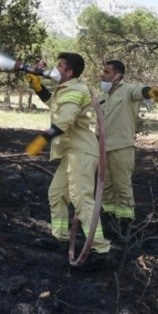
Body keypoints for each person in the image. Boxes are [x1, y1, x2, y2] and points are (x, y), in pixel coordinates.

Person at [25, 52, 111, 270]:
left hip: (82, 152)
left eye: (60, 66)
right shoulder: (66, 89)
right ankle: (61, 237)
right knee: (57, 194)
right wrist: (37, 85)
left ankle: (101, 249)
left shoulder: (76, 90)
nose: (55, 68)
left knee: (81, 199)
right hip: (72, 152)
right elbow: (53, 104)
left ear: (69, 72)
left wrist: (42, 139)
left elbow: (65, 120)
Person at [98, 60, 158, 242]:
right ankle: (109, 224)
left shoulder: (128, 90)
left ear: (118, 75)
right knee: (107, 187)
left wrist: (154, 94)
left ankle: (125, 225)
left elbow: (143, 90)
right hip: (103, 148)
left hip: (121, 148)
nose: (103, 75)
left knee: (122, 186)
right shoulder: (103, 95)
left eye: (107, 72)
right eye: (103, 71)